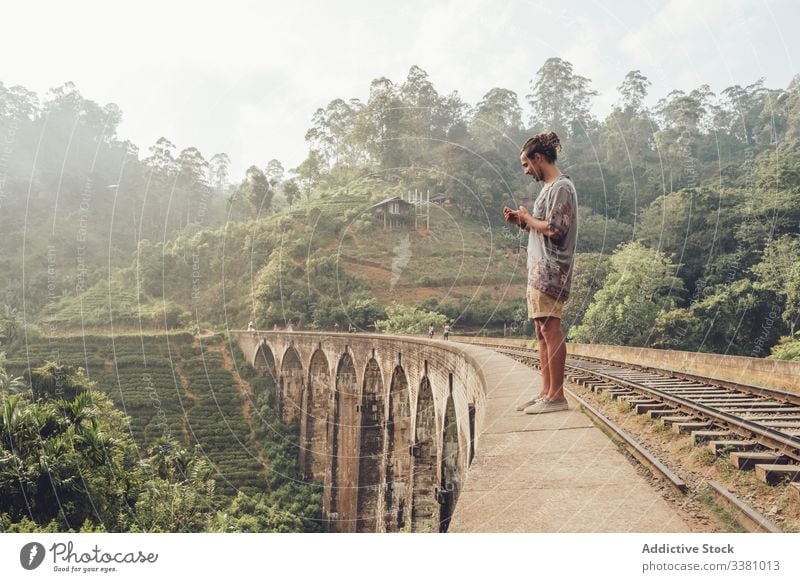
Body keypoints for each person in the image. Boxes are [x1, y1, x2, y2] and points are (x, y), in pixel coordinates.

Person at [503, 131, 577, 414]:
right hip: (539, 269)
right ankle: (545, 392)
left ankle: (556, 396)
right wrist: (521, 222)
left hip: (551, 269)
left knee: (550, 327)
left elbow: (556, 230)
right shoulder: (549, 189)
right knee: (541, 330)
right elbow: (542, 227)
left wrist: (527, 218)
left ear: (538, 158)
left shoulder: (561, 187)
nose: (526, 171)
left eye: (526, 164)